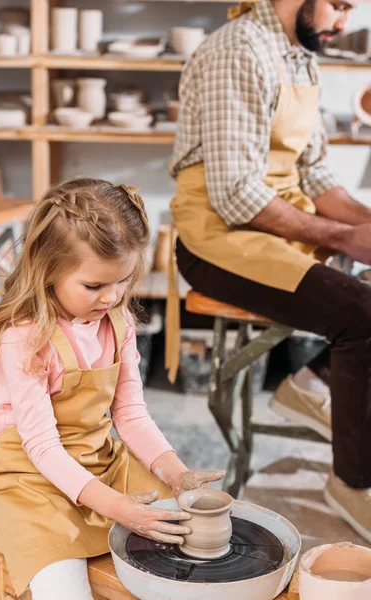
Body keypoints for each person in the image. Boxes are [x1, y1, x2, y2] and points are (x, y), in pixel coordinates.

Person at [167, 0, 371, 543]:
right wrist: (348, 238)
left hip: (274, 224)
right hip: (218, 240)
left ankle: (312, 383)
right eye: (338, 5)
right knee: (363, 316)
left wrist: (367, 224)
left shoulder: (298, 54)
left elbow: (318, 173)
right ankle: (353, 483)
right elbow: (236, 195)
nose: (342, 23)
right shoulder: (238, 51)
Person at [0, 177, 224, 600]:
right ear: (48, 268)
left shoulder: (118, 322)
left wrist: (176, 472)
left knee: (188, 536)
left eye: (123, 280)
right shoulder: (25, 337)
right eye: (95, 286)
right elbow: (43, 447)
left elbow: (130, 414)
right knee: (65, 591)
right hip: (34, 477)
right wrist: (116, 507)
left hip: (99, 458)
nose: (112, 297)